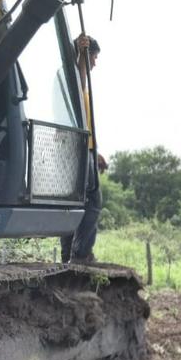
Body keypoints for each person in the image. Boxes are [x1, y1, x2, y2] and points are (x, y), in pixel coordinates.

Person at [63, 34, 108, 263]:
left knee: (77, 202)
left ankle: (69, 254)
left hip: (86, 148)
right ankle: (80, 254)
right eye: (94, 57)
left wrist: (95, 151)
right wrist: (81, 54)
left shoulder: (80, 88)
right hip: (78, 149)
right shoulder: (72, 81)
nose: (95, 63)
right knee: (92, 201)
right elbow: (79, 79)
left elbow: (85, 124)